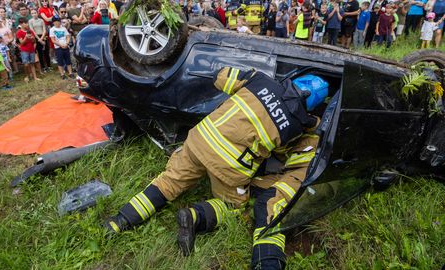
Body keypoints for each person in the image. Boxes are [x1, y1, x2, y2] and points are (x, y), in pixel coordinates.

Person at [104, 66, 326, 269]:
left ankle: (119, 221)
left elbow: (220, 76)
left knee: (168, 182)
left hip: (200, 140)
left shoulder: (260, 80)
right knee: (235, 206)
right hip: (229, 165)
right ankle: (195, 216)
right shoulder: (298, 127)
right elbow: (279, 154)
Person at [16, 17, 40, 82]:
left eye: (27, 23)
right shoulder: (19, 32)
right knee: (26, 64)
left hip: (31, 49)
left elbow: (34, 41)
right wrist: (26, 37)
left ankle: (35, 77)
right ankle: (27, 76)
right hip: (24, 51)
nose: (27, 24)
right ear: (21, 24)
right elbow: (22, 43)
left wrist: (32, 39)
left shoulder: (31, 31)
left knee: (32, 63)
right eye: (25, 23)